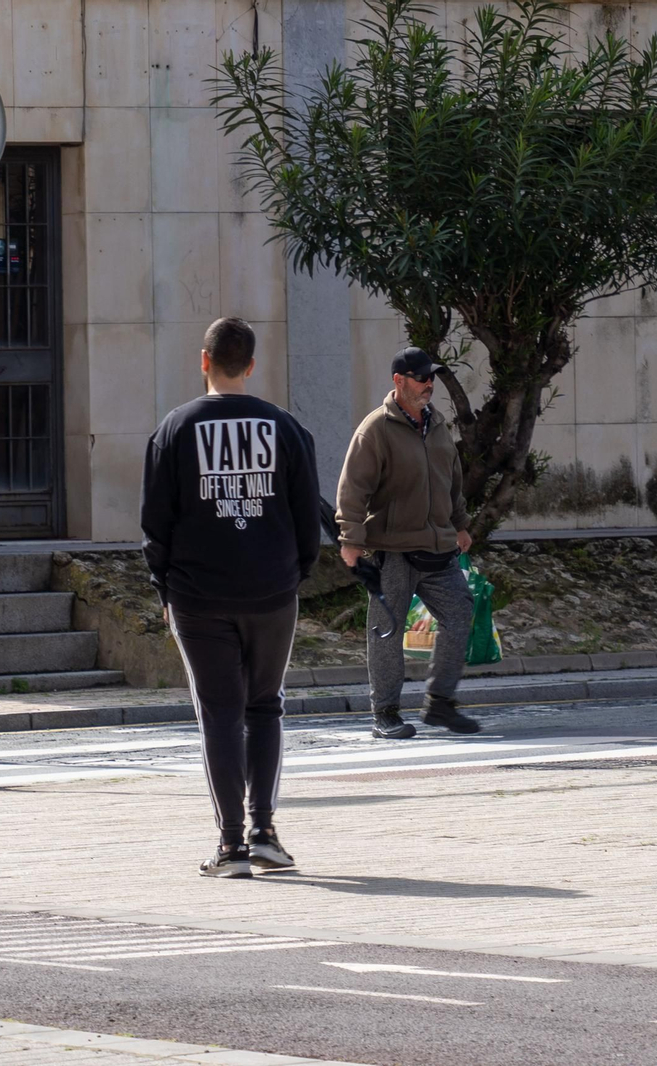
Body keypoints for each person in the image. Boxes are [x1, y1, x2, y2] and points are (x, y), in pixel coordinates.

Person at [141, 317, 321, 879]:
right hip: (272, 591)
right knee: (265, 706)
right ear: (251, 365)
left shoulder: (175, 429)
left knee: (219, 713)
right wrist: (294, 575)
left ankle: (230, 845)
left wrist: (163, 585)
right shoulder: (285, 428)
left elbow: (156, 523)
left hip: (198, 595)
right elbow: (306, 516)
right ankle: (265, 832)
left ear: (204, 360)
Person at [337, 347, 480, 740]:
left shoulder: (438, 425)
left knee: (460, 612)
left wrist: (460, 524)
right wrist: (351, 539)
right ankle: (385, 713)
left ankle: (440, 703)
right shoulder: (375, 429)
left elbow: (451, 480)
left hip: (439, 548)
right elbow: (353, 490)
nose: (428, 384)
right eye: (421, 378)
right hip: (393, 550)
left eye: (431, 378)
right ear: (398, 381)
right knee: (386, 630)